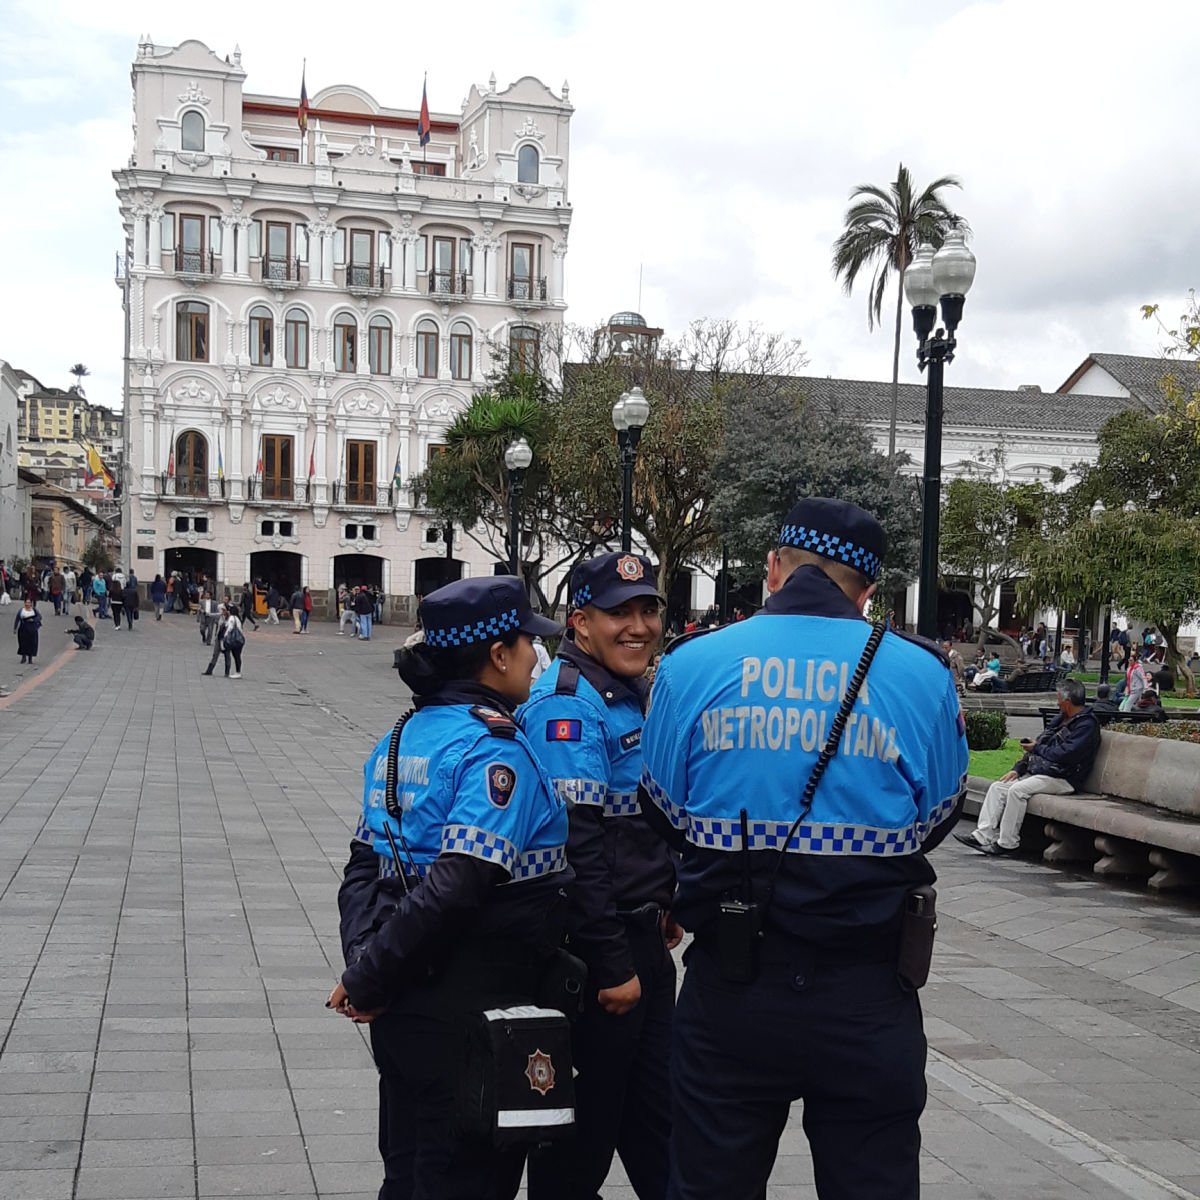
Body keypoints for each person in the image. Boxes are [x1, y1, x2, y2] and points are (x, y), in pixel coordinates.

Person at [639, 497, 968, 1200]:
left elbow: (663, 812)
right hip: (867, 994)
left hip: (730, 989)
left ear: (773, 569)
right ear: (870, 589)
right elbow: (938, 816)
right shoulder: (922, 675)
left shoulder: (691, 665)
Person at [328, 576, 568, 1199]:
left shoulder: (399, 740)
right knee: (465, 1178)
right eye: (527, 645)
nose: (534, 658)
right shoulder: (494, 750)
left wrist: (368, 968)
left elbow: (362, 870)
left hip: (403, 1004)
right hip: (471, 1014)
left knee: (405, 1172)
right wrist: (367, 978)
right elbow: (456, 887)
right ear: (498, 656)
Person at [522, 553, 677, 1200]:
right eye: (619, 613)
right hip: (592, 960)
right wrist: (613, 965)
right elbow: (575, 849)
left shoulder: (627, 695)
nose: (638, 626)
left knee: (662, 1133)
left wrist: (669, 902)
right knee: (577, 1148)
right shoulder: (569, 706)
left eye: (647, 610)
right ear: (580, 622)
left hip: (639, 942)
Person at [956, 679, 1101, 857]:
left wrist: (1036, 748)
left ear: (1067, 701)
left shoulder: (1086, 725)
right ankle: (982, 836)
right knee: (998, 787)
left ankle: (1008, 843)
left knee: (1017, 790)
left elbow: (1066, 754)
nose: (1057, 701)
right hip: (1043, 772)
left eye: (1058, 697)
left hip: (1064, 778)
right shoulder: (1060, 719)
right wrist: (1018, 768)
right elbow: (1039, 743)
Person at [14, 596, 41, 664]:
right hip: (23, 628)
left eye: (29, 602)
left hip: (32, 629)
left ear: (31, 603)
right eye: (26, 602)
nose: (28, 604)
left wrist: (33, 620)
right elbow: (17, 619)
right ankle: (23, 657)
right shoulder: (21, 610)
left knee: (31, 643)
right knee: (23, 643)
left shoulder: (34, 610)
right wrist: (15, 628)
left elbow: (39, 617)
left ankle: (30, 658)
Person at [221, 604, 245, 679]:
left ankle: (237, 672)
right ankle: (238, 671)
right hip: (239, 640)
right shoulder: (238, 619)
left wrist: (225, 636)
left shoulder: (231, 618)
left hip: (233, 640)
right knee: (238, 656)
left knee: (234, 655)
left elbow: (230, 628)